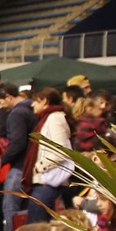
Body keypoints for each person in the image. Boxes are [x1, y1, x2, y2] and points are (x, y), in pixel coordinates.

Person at [25, 88, 75, 223]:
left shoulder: (54, 118)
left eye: (36, 101)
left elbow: (61, 150)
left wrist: (40, 167)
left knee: (36, 225)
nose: (32, 104)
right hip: (46, 180)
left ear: (45, 101)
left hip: (47, 180)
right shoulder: (47, 118)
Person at [0, 84, 33, 231]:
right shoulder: (32, 110)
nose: (0, 106)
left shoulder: (16, 113)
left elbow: (17, 143)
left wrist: (1, 161)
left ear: (8, 97)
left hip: (18, 167)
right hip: (31, 166)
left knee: (11, 208)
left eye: (0, 102)